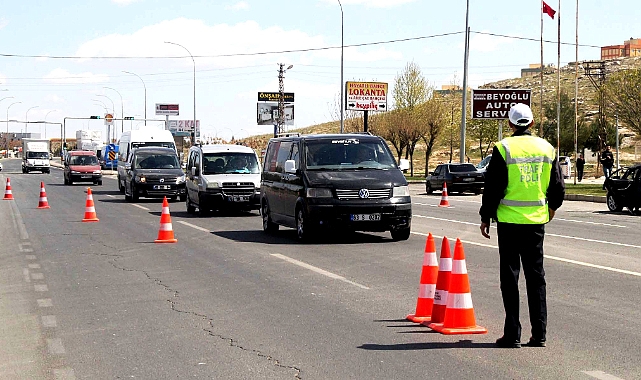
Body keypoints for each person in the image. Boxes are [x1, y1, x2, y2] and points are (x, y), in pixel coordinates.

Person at [479, 103, 565, 349]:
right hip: (536, 223)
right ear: (532, 123)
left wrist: (486, 216)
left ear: (510, 124)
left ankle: (512, 334)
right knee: (536, 278)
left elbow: (493, 187)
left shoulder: (504, 148)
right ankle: (539, 334)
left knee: (510, 278)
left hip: (508, 223)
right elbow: (557, 186)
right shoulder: (547, 148)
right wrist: (552, 208)